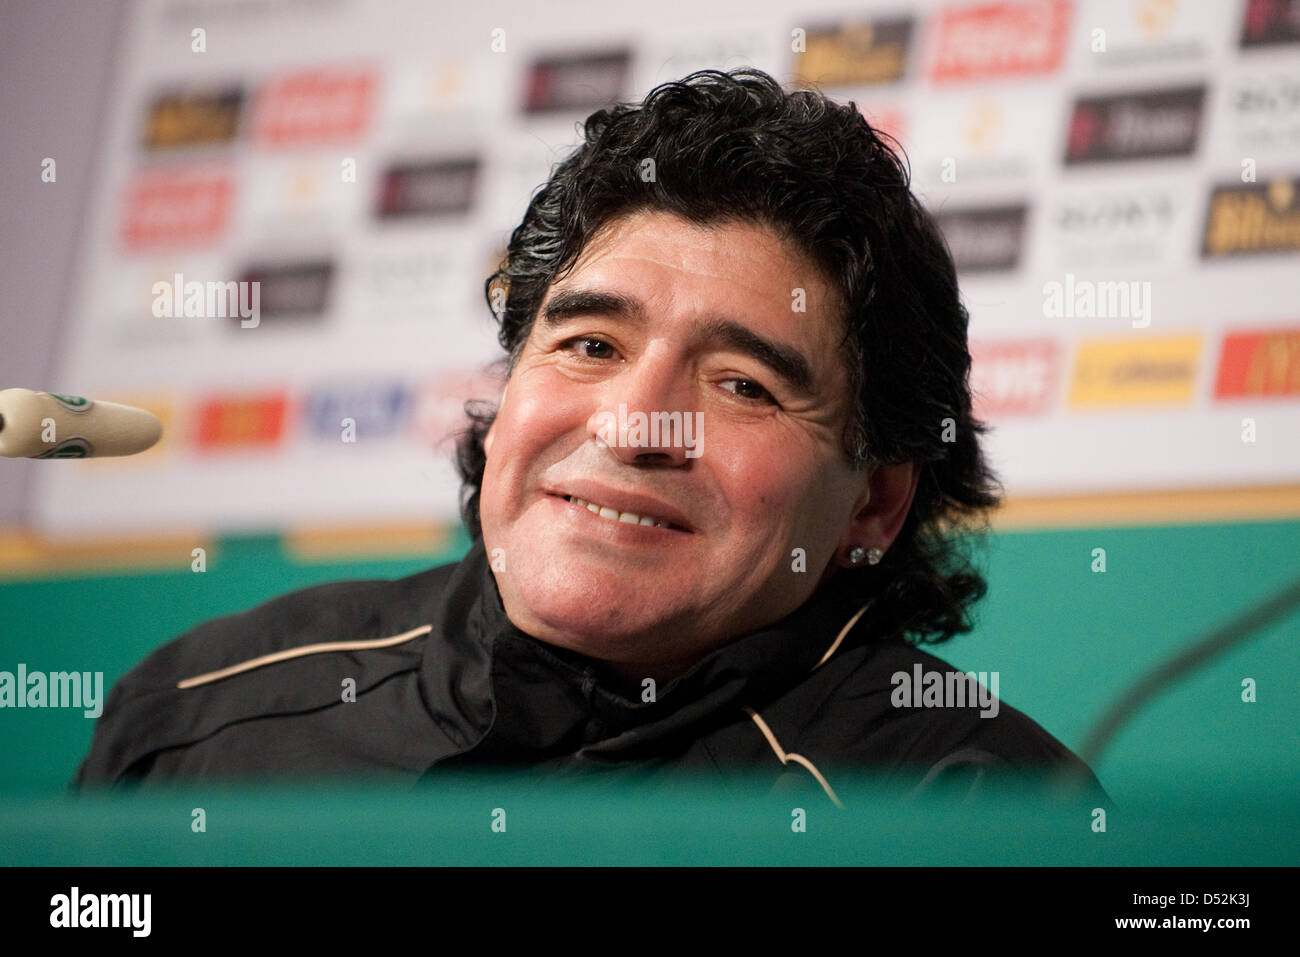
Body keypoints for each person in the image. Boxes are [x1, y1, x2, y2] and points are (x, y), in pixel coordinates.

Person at [76, 68, 1106, 807]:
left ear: (875, 500)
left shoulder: (971, 807)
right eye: (589, 345)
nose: (632, 422)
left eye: (742, 384)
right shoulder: (198, 718)